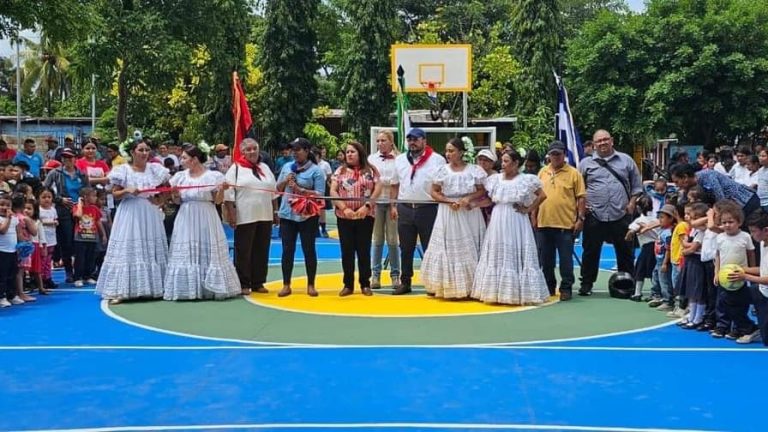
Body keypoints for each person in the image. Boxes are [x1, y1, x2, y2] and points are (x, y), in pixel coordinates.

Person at [96, 140, 170, 304]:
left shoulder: (156, 169)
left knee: (149, 247)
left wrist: (160, 201)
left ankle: (153, 288)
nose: (144, 153)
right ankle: (122, 290)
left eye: (147, 150)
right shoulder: (123, 170)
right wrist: (128, 190)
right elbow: (114, 194)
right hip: (129, 212)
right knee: (128, 246)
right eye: (140, 150)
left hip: (149, 212)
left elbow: (167, 189)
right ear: (132, 152)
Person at [164, 143, 240, 301]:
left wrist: (221, 189)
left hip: (206, 214)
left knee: (207, 247)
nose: (181, 160)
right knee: (187, 248)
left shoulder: (213, 176)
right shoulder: (180, 177)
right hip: (186, 215)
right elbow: (177, 201)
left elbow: (217, 201)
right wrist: (175, 193)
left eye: (184, 157)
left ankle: (211, 286)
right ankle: (189, 288)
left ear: (195, 159)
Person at [472, 150, 549, 305]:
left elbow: (542, 195)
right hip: (498, 218)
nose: (503, 164)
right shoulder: (495, 179)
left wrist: (528, 209)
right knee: (497, 251)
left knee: (516, 249)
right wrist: (474, 204)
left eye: (506, 161)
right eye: (503, 160)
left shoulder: (526, 180)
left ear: (515, 163)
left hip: (516, 219)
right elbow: (488, 200)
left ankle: (517, 292)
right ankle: (496, 292)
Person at [578, 129, 643, 296]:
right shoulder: (585, 164)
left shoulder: (626, 160)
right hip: (595, 214)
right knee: (590, 251)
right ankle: (586, 283)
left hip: (621, 213)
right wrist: (582, 208)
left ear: (612, 140)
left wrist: (631, 203)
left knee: (625, 251)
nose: (602, 143)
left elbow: (637, 186)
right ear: (593, 144)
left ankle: (628, 283)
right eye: (598, 141)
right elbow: (579, 190)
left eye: (605, 139)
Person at [420, 137, 487, 299]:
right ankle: (446, 285)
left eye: (452, 151)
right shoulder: (442, 170)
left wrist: (467, 199)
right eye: (447, 151)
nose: (448, 154)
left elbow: (481, 190)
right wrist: (449, 201)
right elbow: (434, 192)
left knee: (470, 246)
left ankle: (472, 286)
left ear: (461, 152)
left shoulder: (474, 170)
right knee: (448, 248)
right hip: (448, 212)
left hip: (468, 212)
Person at [389, 128, 445, 295]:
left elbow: (442, 185)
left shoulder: (437, 160)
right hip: (405, 207)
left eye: (416, 139)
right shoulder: (399, 160)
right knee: (406, 248)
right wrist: (393, 205)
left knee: (431, 247)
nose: (412, 142)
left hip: (428, 208)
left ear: (424, 141)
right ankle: (405, 282)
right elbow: (394, 184)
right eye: (409, 139)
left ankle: (432, 283)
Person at [224, 138, 278, 295]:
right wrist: (231, 215)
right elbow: (228, 194)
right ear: (243, 152)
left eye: (255, 148)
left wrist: (275, 212)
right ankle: (243, 283)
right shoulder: (235, 169)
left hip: (265, 215)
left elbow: (273, 192)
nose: (252, 152)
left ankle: (258, 282)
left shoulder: (265, 167)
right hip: (245, 215)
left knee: (262, 249)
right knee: (244, 250)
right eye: (248, 149)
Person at [535, 141, 586, 301]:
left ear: (564, 154)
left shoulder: (573, 173)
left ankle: (566, 288)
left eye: (558, 154)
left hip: (565, 224)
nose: (555, 157)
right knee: (546, 260)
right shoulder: (542, 172)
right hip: (544, 223)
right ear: (548, 155)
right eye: (552, 154)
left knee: (565, 260)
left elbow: (581, 198)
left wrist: (580, 218)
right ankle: (549, 286)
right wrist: (533, 215)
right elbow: (536, 196)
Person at [330, 141, 382, 296]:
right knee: (347, 251)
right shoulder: (339, 171)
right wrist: (344, 208)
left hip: (365, 217)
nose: (349, 155)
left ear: (360, 153)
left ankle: (365, 283)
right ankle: (348, 284)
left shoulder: (371, 171)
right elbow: (333, 190)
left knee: (363, 250)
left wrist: (366, 207)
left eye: (352, 152)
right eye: (347, 152)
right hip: (344, 217)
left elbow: (377, 189)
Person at [275, 138, 326, 297]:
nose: (294, 153)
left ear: (306, 150)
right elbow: (277, 189)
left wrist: (299, 188)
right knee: (287, 250)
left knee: (308, 249)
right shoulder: (286, 167)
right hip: (287, 214)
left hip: (307, 215)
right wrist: (286, 180)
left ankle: (311, 284)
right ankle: (286, 284)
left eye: (298, 149)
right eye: (293, 150)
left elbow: (320, 194)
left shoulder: (316, 171)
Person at [712, 201, 758, 341]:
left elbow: (751, 254)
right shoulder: (720, 238)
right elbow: (718, 256)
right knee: (722, 302)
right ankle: (722, 326)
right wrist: (716, 272)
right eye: (724, 222)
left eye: (730, 222)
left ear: (739, 222)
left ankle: (738, 328)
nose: (727, 225)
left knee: (739, 304)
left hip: (739, 277)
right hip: (724, 277)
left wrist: (750, 273)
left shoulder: (745, 237)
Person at [43, 148, 89, 283]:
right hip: (63, 210)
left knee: (81, 240)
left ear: (75, 158)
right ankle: (69, 271)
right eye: (64, 157)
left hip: (80, 210)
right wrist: (59, 199)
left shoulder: (81, 174)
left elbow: (87, 190)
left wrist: (83, 202)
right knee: (67, 241)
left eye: (70, 157)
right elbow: (45, 190)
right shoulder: (54, 173)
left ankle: (82, 271)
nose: (67, 160)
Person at [670, 163, 760, 222]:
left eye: (677, 182)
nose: (677, 185)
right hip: (735, 209)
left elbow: (721, 201)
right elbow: (683, 204)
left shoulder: (708, 176)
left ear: (685, 177)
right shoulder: (689, 188)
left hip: (747, 202)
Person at [367, 130, 400, 289]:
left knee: (393, 240)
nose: (380, 143)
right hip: (377, 203)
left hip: (393, 202)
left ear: (391, 141)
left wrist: (394, 204)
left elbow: (399, 181)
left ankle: (395, 275)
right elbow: (370, 181)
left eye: (383, 140)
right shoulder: (371, 159)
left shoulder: (399, 159)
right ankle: (375, 275)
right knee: (377, 239)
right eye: (378, 141)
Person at [730, 209, 768, 345]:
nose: (751, 235)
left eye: (753, 231)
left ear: (766, 230)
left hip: (765, 292)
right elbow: (763, 270)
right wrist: (743, 269)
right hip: (761, 290)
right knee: (729, 298)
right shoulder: (763, 243)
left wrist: (745, 276)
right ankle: (750, 328)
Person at [677, 202, 709, 328]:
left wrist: (685, 248)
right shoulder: (694, 230)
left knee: (698, 291)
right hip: (691, 261)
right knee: (691, 291)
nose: (689, 219)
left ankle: (698, 317)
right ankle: (691, 315)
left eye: (694, 217)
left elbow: (693, 247)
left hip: (697, 262)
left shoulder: (702, 232)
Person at [72, 187, 106, 287]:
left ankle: (88, 276)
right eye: (93, 196)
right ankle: (78, 278)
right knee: (80, 258)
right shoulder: (76, 207)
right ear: (86, 197)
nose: (95, 198)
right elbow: (78, 215)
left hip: (92, 237)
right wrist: (79, 203)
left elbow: (98, 222)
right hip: (80, 237)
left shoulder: (95, 209)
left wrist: (103, 234)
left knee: (90, 258)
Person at [38, 187, 58, 290]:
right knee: (43, 259)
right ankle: (41, 279)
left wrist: (55, 222)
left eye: (49, 197)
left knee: (49, 259)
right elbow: (39, 222)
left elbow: (55, 219)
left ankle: (48, 277)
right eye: (44, 197)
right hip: (42, 239)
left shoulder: (53, 209)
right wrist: (50, 222)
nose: (47, 199)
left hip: (51, 238)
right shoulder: (38, 210)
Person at [315, 147, 333, 238]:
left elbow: (329, 176)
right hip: (313, 188)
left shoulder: (325, 164)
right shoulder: (309, 165)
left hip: (323, 188)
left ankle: (323, 228)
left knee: (322, 209)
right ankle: (315, 228)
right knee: (313, 209)